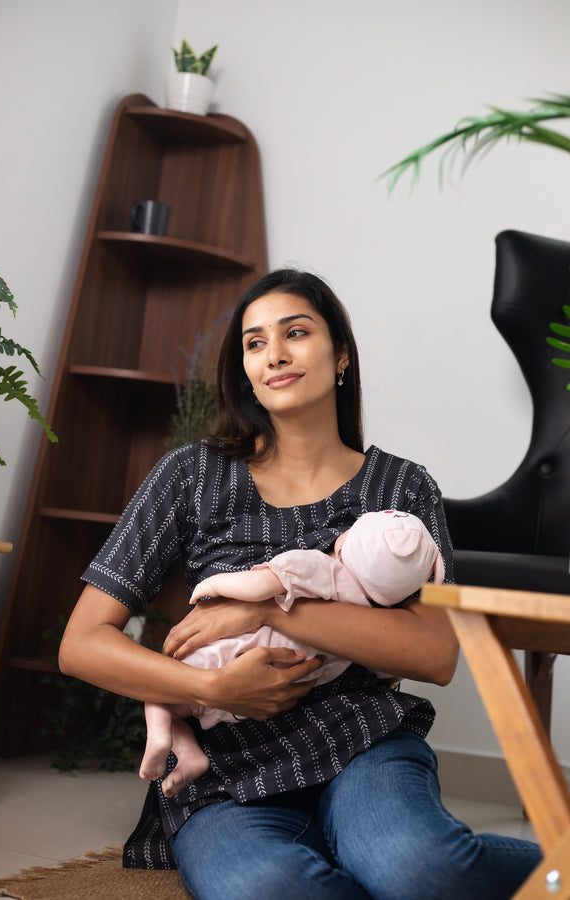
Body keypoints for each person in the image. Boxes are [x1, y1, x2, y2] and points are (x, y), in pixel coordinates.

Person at [59, 269, 541, 900]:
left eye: (296, 333)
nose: (275, 354)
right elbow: (82, 643)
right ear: (246, 371)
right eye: (254, 343)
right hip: (226, 769)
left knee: (424, 871)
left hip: (363, 744)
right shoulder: (192, 474)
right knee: (272, 889)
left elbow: (436, 655)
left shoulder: (401, 490)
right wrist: (212, 685)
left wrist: (272, 610)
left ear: (340, 355)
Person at [140, 509, 445, 796]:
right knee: (179, 709)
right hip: (268, 689)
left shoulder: (323, 567)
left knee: (158, 685)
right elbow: (387, 669)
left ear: (347, 543)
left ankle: (159, 737)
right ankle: (191, 755)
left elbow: (259, 586)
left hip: (235, 657)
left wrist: (212, 587)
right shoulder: (374, 617)